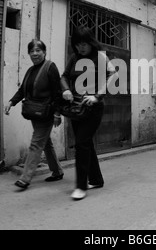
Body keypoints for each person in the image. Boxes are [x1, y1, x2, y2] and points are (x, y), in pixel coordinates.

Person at [61, 26, 116, 201]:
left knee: (81, 143)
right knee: (86, 144)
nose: (81, 48)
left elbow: (113, 75)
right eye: (77, 45)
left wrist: (97, 95)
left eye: (84, 44)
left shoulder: (101, 57)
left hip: (94, 108)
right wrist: (66, 90)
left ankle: (81, 186)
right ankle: (96, 180)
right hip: (76, 108)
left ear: (91, 42)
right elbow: (64, 77)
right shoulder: (74, 58)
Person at [4, 39, 64, 190]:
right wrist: (12, 102)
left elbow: (58, 92)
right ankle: (57, 171)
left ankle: (25, 178)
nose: (35, 53)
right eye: (32, 51)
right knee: (46, 143)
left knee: (36, 143)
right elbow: (23, 90)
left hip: (47, 113)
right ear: (29, 54)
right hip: (35, 112)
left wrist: (57, 113)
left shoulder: (50, 67)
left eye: (38, 50)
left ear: (44, 52)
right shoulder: (31, 70)